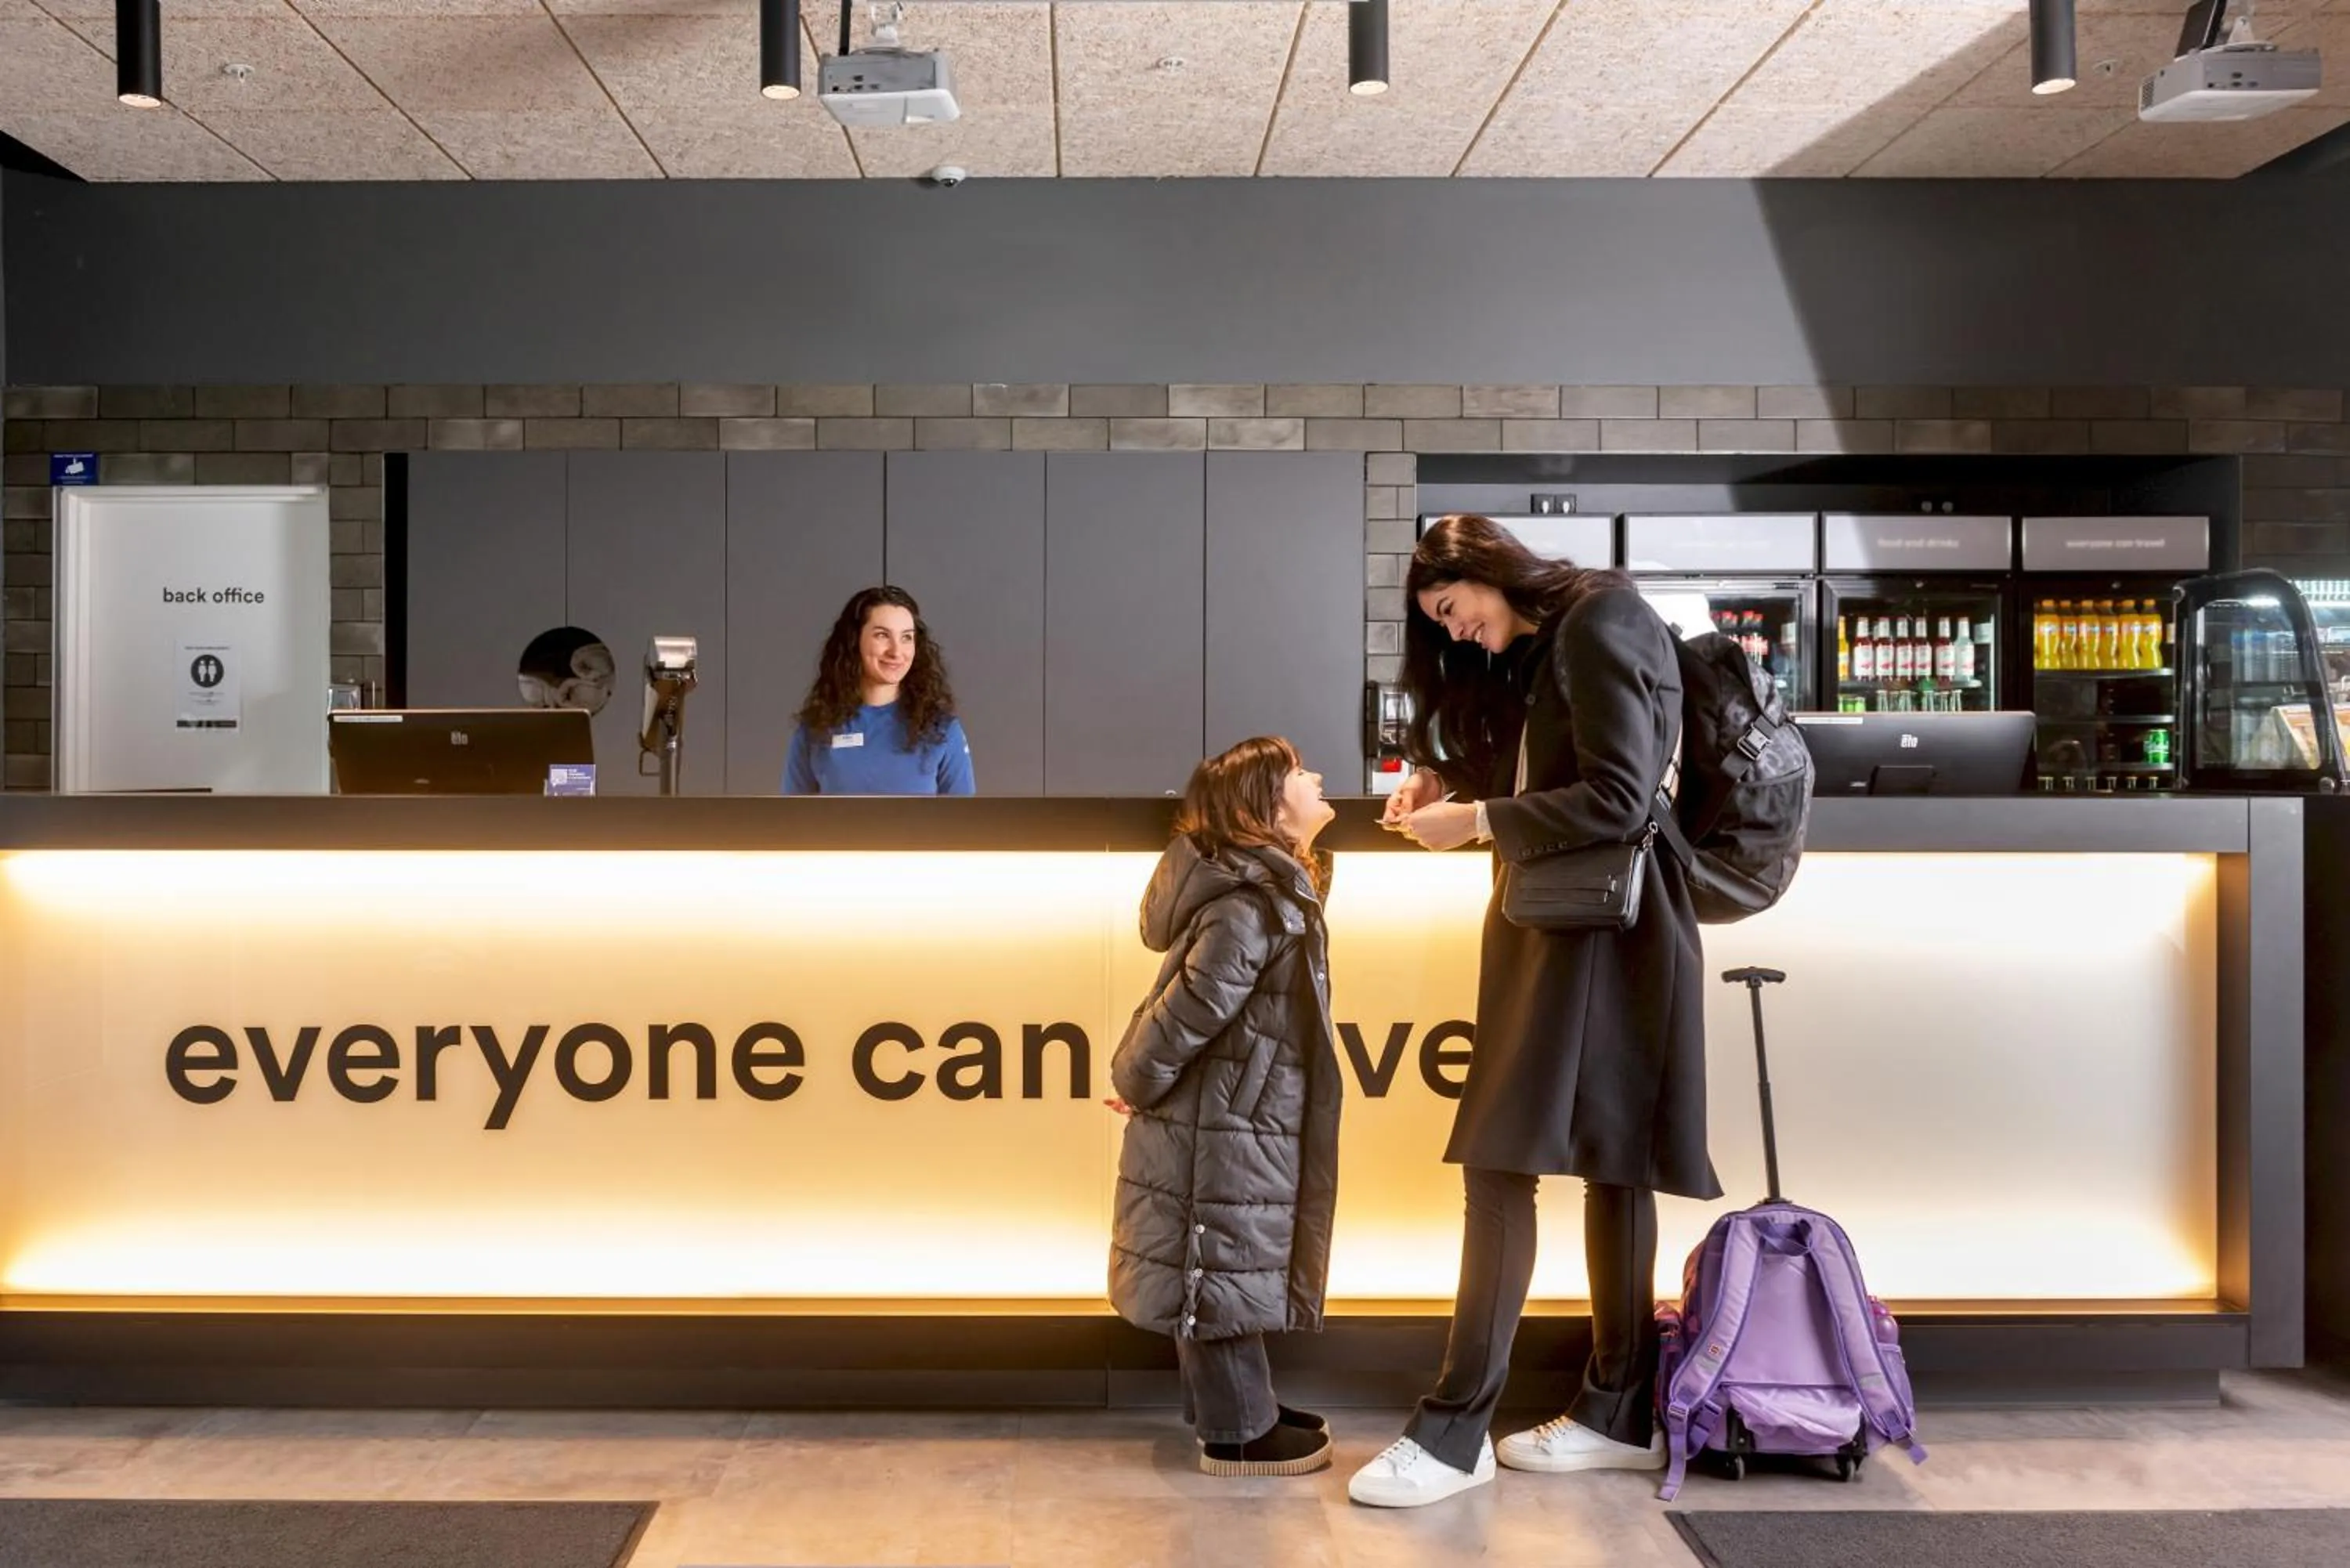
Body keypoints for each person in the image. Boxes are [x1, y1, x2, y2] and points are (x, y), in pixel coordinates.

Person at [1346, 514, 1719, 1508]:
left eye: (1450, 607)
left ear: (1486, 570)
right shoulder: (1559, 639)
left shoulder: (1602, 619)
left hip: (1600, 933)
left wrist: (1477, 822)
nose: (1454, 629)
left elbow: (1620, 796)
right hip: (1578, 929)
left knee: (1508, 1159)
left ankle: (1456, 1431)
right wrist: (1455, 786)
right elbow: (1560, 775)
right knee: (1609, 1164)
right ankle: (1619, 1412)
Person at [1106, 737, 1343, 1477]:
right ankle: (1239, 1431)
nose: (1318, 778)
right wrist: (1136, 1079)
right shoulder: (1248, 909)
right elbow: (1184, 1015)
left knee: (1214, 1255)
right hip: (1226, 1117)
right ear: (1270, 804)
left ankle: (1233, 1409)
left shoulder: (1269, 890)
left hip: (1234, 1108)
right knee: (1221, 1259)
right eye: (1301, 774)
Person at [783, 586, 975, 795]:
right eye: (882, 635)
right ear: (854, 641)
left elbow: (965, 822)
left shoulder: (942, 730)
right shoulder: (815, 729)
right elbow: (792, 822)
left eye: (906, 637)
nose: (896, 651)